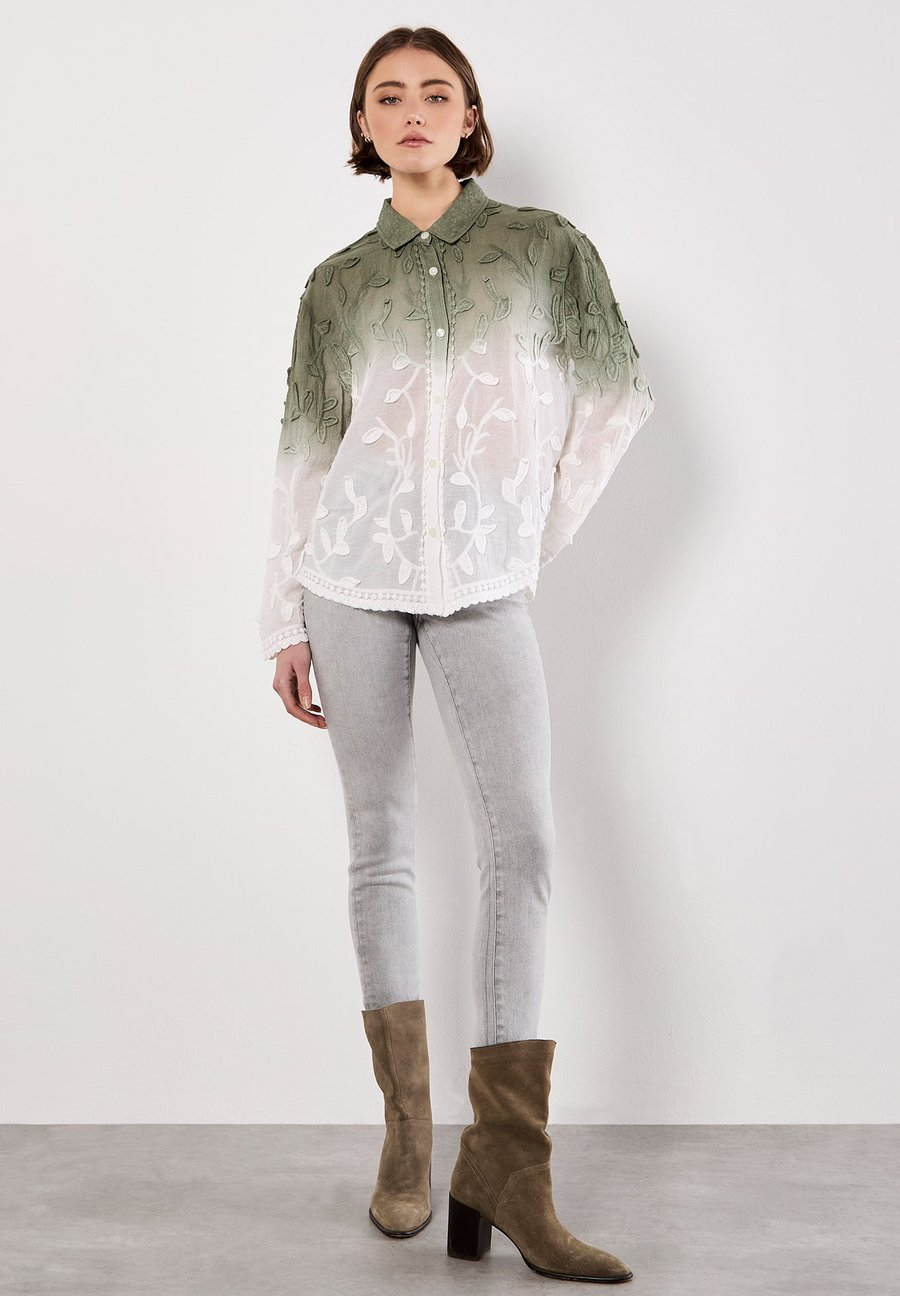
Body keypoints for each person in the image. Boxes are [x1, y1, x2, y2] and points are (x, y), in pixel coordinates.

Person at [258, 25, 654, 1285]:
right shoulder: (336, 285)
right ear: (365, 126)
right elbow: (303, 455)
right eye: (390, 96)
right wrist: (283, 618)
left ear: (471, 116)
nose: (415, 110)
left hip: (484, 588)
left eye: (438, 92)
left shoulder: (540, 250)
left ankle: (509, 1168)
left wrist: (527, 533)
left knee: (522, 845)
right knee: (380, 844)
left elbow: (616, 395)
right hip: (350, 581)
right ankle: (407, 1140)